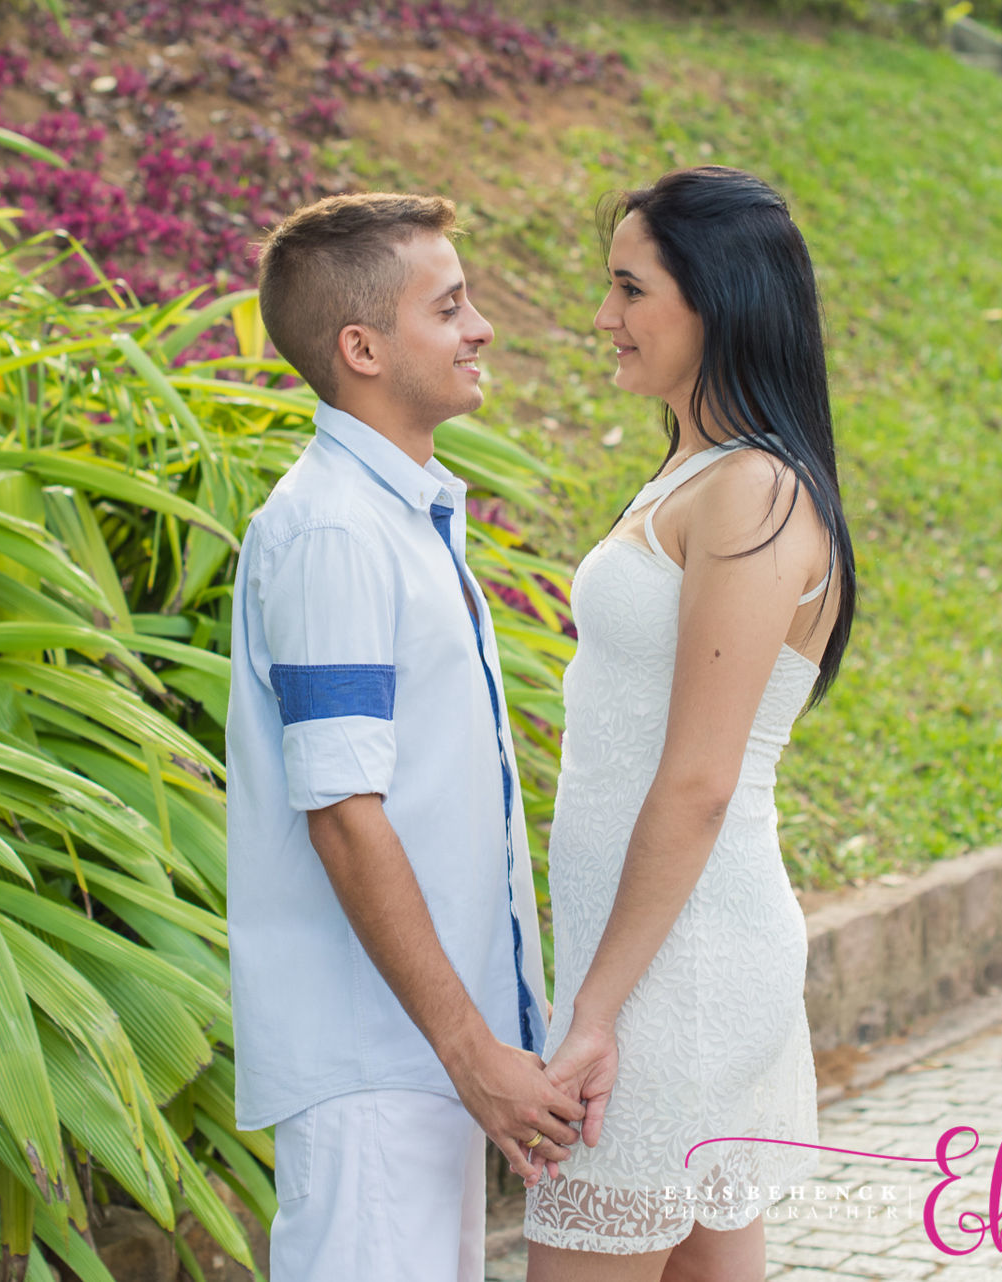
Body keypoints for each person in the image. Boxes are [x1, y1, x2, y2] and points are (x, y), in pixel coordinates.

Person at [228, 191, 587, 1282]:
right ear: (362, 347)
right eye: (452, 305)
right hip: (376, 1069)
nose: (480, 326)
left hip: (416, 1063)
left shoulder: (395, 516)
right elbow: (343, 814)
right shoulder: (334, 529)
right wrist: (472, 1051)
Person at [523, 166, 858, 1279]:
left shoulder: (752, 491)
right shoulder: (697, 474)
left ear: (715, 300)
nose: (603, 317)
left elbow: (699, 778)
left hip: (678, 970)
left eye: (630, 289)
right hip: (664, 956)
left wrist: (596, 1012)